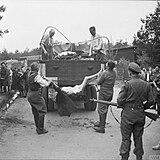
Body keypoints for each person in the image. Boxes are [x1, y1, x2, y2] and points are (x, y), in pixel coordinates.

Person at [117, 62, 154, 160]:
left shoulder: (127, 84)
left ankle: (124, 157)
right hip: (140, 114)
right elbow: (151, 101)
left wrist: (122, 105)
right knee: (138, 138)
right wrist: (142, 107)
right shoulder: (146, 85)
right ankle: (139, 157)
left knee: (126, 139)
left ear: (130, 72)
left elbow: (119, 101)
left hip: (128, 115)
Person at [27, 62, 52, 135]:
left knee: (35, 111)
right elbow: (45, 84)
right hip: (36, 94)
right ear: (37, 69)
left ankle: (37, 127)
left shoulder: (30, 75)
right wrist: (49, 81)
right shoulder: (37, 76)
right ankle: (40, 128)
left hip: (30, 94)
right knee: (42, 110)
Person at [93, 60, 116, 133]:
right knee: (105, 109)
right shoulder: (114, 73)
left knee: (101, 109)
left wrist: (99, 76)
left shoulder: (105, 73)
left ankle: (102, 128)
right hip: (110, 92)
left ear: (108, 66)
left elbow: (99, 82)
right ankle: (101, 123)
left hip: (103, 93)